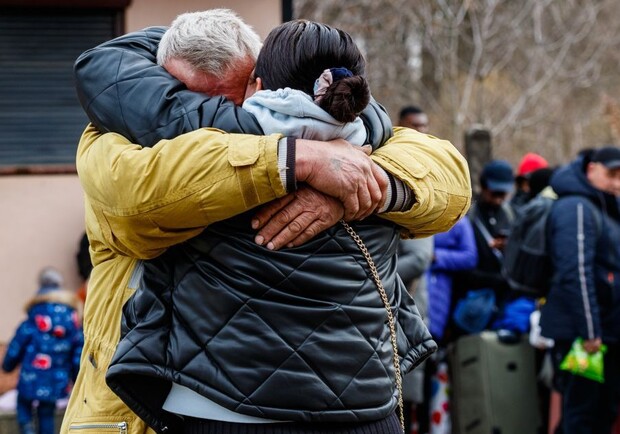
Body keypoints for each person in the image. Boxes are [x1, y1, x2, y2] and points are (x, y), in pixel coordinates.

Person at [62, 10, 472, 434]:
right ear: (164, 90)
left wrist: (363, 188)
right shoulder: (118, 138)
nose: (237, 114)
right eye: (203, 102)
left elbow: (451, 181)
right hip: (143, 411)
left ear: (260, 79)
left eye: (241, 92)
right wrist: (295, 161)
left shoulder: (341, 132)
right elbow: (137, 205)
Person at [540, 146, 620, 434]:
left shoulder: (600, 204)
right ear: (591, 169)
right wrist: (590, 331)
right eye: (612, 174)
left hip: (601, 332)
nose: (617, 183)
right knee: (583, 415)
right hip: (584, 336)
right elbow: (575, 272)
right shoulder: (576, 207)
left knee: (596, 413)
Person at [2, 267, 83, 434]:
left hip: (30, 376)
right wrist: (77, 377)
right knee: (47, 412)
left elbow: (18, 343)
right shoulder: (73, 324)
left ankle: (27, 429)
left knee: (23, 403)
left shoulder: (34, 318)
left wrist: (8, 365)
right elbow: (77, 353)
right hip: (56, 380)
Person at [452, 160, 515, 334]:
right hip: (471, 299)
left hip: (503, 300)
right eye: (495, 192)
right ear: (484, 187)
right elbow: (461, 265)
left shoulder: (510, 215)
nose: (499, 199)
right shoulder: (468, 216)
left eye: (504, 193)